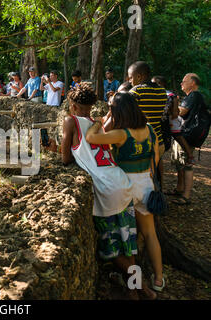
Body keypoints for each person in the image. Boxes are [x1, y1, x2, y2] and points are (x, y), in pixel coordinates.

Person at [61, 83, 156, 300]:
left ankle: (143, 288)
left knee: (111, 249)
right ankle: (133, 290)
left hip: (105, 190)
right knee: (127, 244)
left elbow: (65, 158)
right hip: (121, 182)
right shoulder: (98, 123)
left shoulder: (70, 121)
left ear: (72, 105)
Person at [85, 91, 165, 294]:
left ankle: (133, 285)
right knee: (149, 234)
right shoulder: (149, 130)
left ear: (118, 111)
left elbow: (91, 137)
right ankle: (158, 278)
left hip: (125, 187)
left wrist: (99, 120)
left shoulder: (122, 134)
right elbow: (155, 158)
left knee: (126, 240)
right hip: (146, 184)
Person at [168, 73, 207, 205]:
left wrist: (172, 106)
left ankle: (186, 196)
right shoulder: (191, 96)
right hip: (184, 134)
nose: (181, 83)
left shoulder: (194, 95)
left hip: (188, 136)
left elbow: (181, 111)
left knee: (187, 165)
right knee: (179, 163)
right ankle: (179, 189)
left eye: (184, 81)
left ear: (192, 83)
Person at [127, 61, 167, 187]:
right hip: (159, 141)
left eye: (131, 77)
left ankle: (146, 203)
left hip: (142, 142)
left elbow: (126, 114)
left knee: (141, 178)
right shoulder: (162, 91)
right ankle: (156, 199)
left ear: (139, 76)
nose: (130, 80)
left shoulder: (136, 91)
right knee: (152, 174)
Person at [152, 76, 194, 165]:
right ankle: (190, 155)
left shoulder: (154, 94)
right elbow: (175, 114)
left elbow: (174, 114)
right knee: (178, 136)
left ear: (159, 84)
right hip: (170, 120)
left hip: (162, 122)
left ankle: (189, 155)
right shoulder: (171, 95)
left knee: (177, 135)